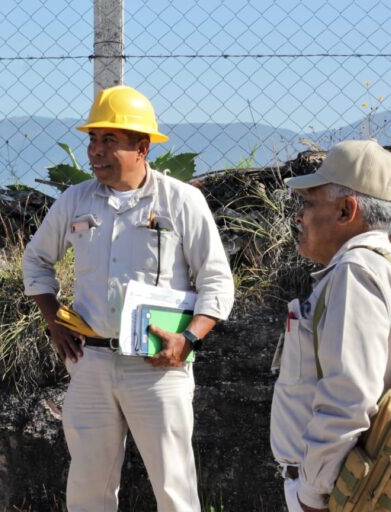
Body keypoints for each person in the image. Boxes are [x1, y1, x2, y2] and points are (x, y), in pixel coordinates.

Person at [22, 85, 235, 511]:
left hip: (158, 366)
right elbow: (36, 262)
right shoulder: (75, 200)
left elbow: (217, 282)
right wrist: (53, 320)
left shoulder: (181, 201)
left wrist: (188, 340)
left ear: (142, 147)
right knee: (87, 489)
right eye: (93, 140)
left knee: (174, 489)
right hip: (91, 363)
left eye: (109, 141)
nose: (95, 152)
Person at [270, 139, 391, 512]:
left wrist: (312, 493)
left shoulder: (356, 272)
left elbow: (348, 395)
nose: (299, 216)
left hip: (335, 492)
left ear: (347, 210)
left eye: (310, 204)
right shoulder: (390, 263)